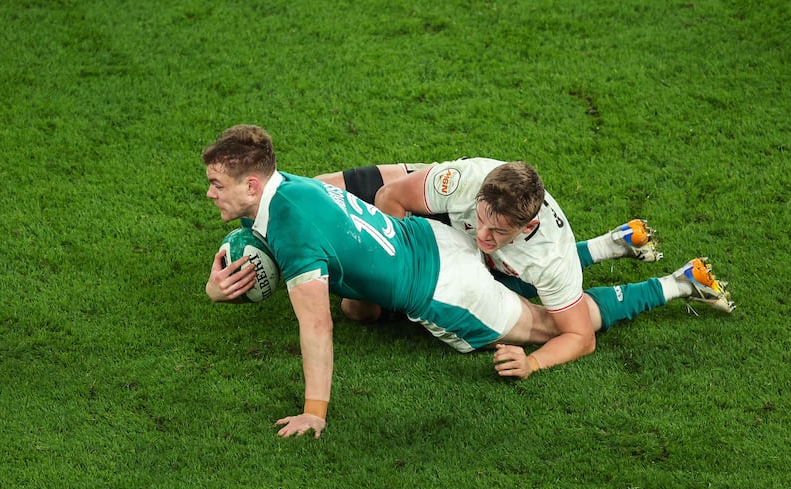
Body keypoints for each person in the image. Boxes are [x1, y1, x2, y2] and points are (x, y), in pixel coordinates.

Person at [203, 125, 575, 438]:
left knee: (554, 327)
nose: (210, 193)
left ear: (252, 185)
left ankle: (629, 286)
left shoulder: (293, 233)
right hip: (430, 236)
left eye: (217, 185)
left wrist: (314, 412)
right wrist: (215, 290)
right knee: (357, 310)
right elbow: (265, 231)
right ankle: (605, 249)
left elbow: (316, 326)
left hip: (449, 291)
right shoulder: (292, 187)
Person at [315, 159, 736, 377]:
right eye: (480, 219)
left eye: (498, 231)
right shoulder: (464, 180)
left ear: (527, 225)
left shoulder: (550, 257)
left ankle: (676, 283)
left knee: (551, 318)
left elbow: (580, 337)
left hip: (528, 266)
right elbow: (391, 196)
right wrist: (399, 264)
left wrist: (532, 363)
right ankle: (615, 243)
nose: (482, 233)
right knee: (359, 308)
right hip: (440, 225)